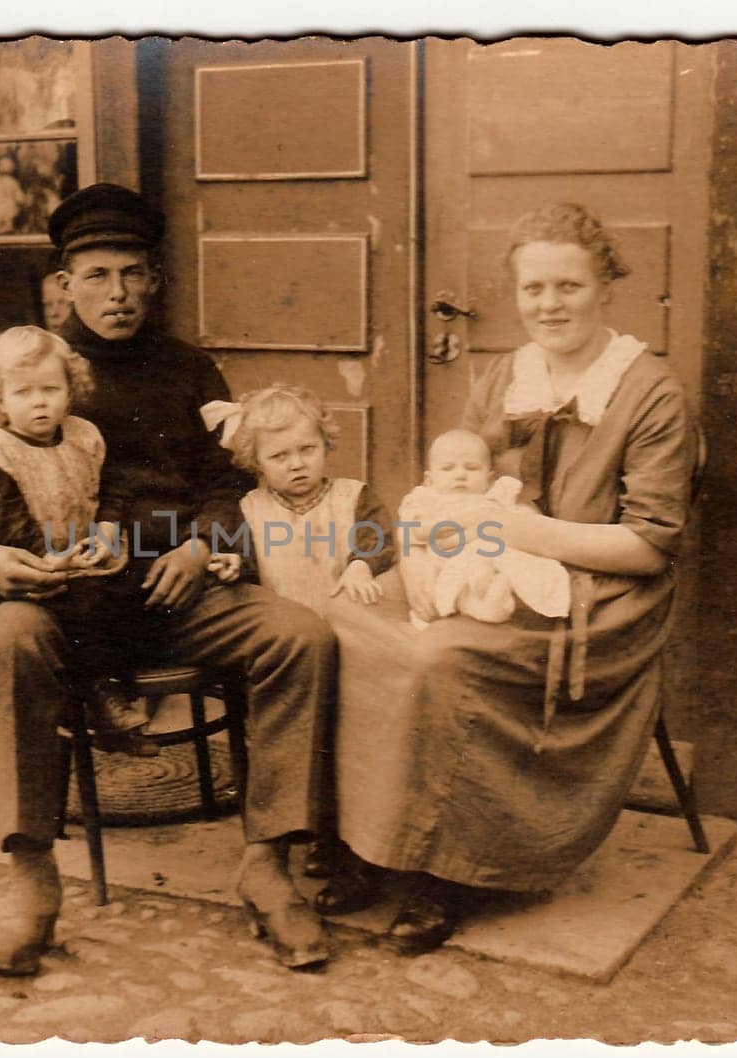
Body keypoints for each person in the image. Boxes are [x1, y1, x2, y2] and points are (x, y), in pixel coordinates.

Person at [0, 184, 338, 976]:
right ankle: (31, 880)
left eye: (131, 273)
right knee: (9, 637)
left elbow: (231, 479)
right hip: (62, 596)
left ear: (153, 278)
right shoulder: (29, 368)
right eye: (96, 276)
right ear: (65, 284)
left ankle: (268, 862)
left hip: (174, 590)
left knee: (301, 637)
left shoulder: (190, 370)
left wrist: (203, 545)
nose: (115, 293)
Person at [318, 202, 698, 955]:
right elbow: (461, 492)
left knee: (436, 657)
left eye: (569, 287)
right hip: (487, 565)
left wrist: (531, 535)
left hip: (598, 595)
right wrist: (430, 554)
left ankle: (444, 870)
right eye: (534, 290)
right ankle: (364, 845)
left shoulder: (649, 392)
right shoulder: (503, 380)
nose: (550, 306)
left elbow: (653, 547)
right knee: (342, 621)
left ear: (605, 287)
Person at [0, 325, 154, 752]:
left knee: (131, 591)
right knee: (82, 608)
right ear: (0, 399)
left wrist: (107, 526)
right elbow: (8, 523)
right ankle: (94, 702)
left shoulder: (85, 435)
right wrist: (52, 559)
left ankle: (112, 697)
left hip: (78, 562)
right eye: (23, 392)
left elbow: (112, 488)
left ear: (71, 390)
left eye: (51, 388)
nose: (40, 401)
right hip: (16, 577)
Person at [202, 383, 397, 613]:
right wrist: (234, 565)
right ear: (256, 462)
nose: (297, 464)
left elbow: (377, 541)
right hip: (286, 625)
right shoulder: (250, 509)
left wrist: (361, 565)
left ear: (325, 444)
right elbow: (248, 567)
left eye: (307, 449)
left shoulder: (353, 497)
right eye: (279, 456)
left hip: (352, 620)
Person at [396, 429, 570, 628]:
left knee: (504, 560)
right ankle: (479, 607)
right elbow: (410, 532)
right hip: (442, 559)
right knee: (442, 584)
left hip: (485, 552)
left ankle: (494, 596)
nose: (460, 475)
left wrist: (522, 517)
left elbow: (523, 516)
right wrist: (438, 524)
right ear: (429, 479)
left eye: (472, 468)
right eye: (447, 469)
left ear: (489, 479)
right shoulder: (425, 498)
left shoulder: (496, 495)